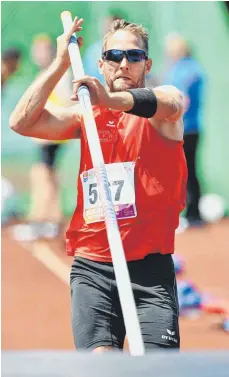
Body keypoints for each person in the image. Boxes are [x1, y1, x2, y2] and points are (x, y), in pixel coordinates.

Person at [10, 17, 187, 352]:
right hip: (93, 267)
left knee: (160, 369)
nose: (124, 63)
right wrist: (60, 62)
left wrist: (108, 99)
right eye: (115, 56)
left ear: (147, 63)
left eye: (134, 57)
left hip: (150, 271)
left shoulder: (162, 108)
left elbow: (172, 102)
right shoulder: (86, 116)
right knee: (99, 366)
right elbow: (21, 122)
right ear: (101, 63)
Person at [12, 34, 73, 241]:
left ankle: (39, 221)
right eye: (36, 51)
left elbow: (66, 100)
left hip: (52, 135)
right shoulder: (47, 73)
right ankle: (52, 221)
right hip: (46, 134)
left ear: (51, 51)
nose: (37, 55)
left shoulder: (59, 74)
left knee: (42, 174)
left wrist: (49, 114)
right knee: (48, 175)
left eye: (42, 50)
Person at [163, 33, 205, 226]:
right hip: (180, 128)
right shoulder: (177, 69)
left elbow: (183, 100)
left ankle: (193, 213)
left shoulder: (189, 70)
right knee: (181, 171)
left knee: (187, 170)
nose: (169, 52)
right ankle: (188, 212)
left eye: (172, 48)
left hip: (187, 129)